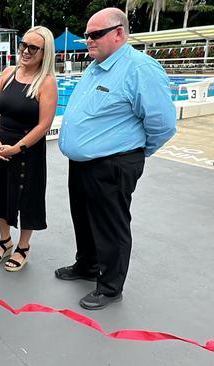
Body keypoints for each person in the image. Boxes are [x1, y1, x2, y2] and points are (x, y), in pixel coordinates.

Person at [56, 8, 177, 310]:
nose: (88, 40)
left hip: (112, 163)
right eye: (87, 35)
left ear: (119, 33)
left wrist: (133, 152)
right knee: (83, 219)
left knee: (111, 226)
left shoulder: (140, 69)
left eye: (95, 34)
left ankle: (110, 287)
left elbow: (162, 124)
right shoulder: (96, 67)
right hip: (84, 163)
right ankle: (87, 265)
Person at [0, 26, 58, 272]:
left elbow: (44, 124)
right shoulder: (8, 73)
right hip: (0, 147)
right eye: (23, 45)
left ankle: (23, 246)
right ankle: (5, 240)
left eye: (33, 48)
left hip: (28, 150)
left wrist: (16, 149)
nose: (25, 51)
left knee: (27, 198)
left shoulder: (46, 82)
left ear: (44, 52)